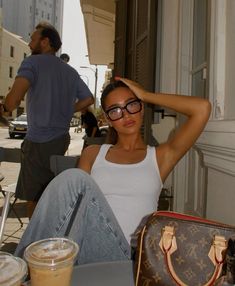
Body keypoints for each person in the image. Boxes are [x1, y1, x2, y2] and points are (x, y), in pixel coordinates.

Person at [14, 77, 211, 264]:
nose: (125, 114)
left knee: (74, 178)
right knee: (73, 179)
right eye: (115, 110)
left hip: (130, 254)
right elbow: (76, 211)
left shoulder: (160, 157)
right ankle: (30, 269)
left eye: (132, 104)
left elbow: (202, 109)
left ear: (141, 108)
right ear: (108, 119)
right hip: (87, 247)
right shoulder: (93, 153)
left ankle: (21, 270)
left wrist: (146, 95)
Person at [0, 22, 94, 218]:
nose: (29, 44)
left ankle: (36, 243)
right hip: (60, 140)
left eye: (33, 40)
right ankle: (51, 239)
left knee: (34, 199)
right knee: (51, 193)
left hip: (37, 142)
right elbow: (89, 99)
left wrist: (4, 107)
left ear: (45, 42)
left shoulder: (31, 63)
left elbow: (14, 99)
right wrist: (68, 110)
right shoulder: (70, 71)